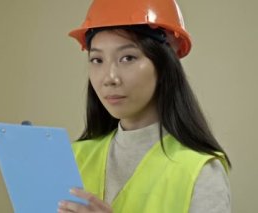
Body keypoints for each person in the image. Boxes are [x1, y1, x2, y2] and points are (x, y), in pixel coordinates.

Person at [57, 0, 231, 212]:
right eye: (97, 59)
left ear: (165, 64)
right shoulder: (71, 158)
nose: (109, 78)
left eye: (128, 57)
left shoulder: (199, 171)